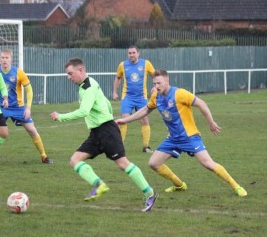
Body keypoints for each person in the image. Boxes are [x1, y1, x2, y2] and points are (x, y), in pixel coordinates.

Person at [115, 70, 247, 197]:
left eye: (159, 83)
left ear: (167, 81)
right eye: (154, 83)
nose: (156, 86)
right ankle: (179, 185)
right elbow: (145, 110)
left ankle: (236, 186)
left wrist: (211, 123)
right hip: (173, 138)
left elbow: (201, 103)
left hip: (190, 137)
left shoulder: (180, 94)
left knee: (208, 163)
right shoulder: (156, 97)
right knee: (153, 163)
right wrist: (125, 120)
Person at [50, 58, 158, 212]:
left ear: (80, 70)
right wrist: (107, 115)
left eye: (70, 73)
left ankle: (150, 193)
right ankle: (99, 184)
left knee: (122, 164)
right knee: (75, 160)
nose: (68, 77)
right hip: (96, 133)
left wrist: (61, 117)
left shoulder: (88, 87)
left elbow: (84, 111)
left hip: (107, 131)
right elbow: (106, 103)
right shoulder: (90, 83)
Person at [0, 49, 53, 164]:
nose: (4, 60)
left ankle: (44, 156)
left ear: (11, 59)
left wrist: (28, 108)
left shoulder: (18, 72)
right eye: (2, 58)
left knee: (32, 130)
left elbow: (29, 90)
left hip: (18, 107)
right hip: (2, 107)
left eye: (7, 58)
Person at [113, 45, 155, 153]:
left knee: (145, 120)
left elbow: (155, 75)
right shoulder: (123, 65)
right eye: (129, 53)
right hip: (127, 98)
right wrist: (114, 92)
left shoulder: (146, 64)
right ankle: (119, 147)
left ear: (138, 53)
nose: (131, 55)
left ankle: (146, 147)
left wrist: (155, 86)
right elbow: (118, 78)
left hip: (141, 98)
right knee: (123, 120)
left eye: (133, 53)